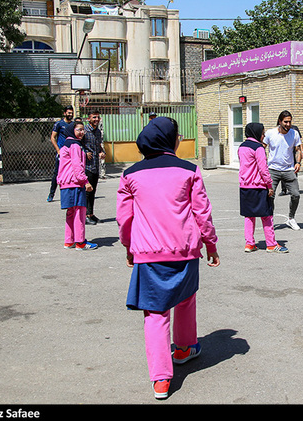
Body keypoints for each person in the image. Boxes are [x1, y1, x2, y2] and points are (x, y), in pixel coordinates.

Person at [117, 116, 220, 400]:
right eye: (177, 136)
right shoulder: (189, 170)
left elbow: (124, 218)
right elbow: (202, 212)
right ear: (170, 141)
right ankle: (185, 348)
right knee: (186, 298)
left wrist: (129, 247)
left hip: (148, 253)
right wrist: (210, 244)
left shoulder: (130, 174)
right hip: (185, 249)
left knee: (155, 311)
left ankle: (161, 379)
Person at [238, 123, 288, 253]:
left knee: (249, 216)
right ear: (256, 133)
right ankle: (271, 244)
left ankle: (249, 244)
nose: (264, 135)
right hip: (258, 186)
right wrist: (269, 185)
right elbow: (263, 169)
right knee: (267, 215)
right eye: (262, 133)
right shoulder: (258, 148)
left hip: (245, 186)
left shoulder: (241, 147)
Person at [57, 121, 97, 251]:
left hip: (65, 183)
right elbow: (77, 166)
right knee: (80, 212)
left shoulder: (65, 145)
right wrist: (85, 181)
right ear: (72, 130)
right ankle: (80, 242)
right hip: (74, 183)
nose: (82, 132)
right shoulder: (75, 145)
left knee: (70, 212)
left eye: (83, 130)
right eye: (79, 129)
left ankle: (69, 241)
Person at [264, 110, 303, 230]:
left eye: (290, 122)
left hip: (289, 169)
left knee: (296, 195)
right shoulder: (270, 133)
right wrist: (262, 164)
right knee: (270, 196)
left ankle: (291, 219)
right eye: (286, 122)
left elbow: (298, 149)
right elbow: (262, 148)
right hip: (272, 169)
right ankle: (270, 220)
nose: (288, 124)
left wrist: (298, 162)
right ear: (280, 121)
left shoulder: (294, 133)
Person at [82, 110, 105, 225]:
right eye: (94, 117)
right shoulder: (84, 131)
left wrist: (101, 152)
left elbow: (98, 146)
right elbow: (78, 145)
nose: (96, 119)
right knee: (87, 191)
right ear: (88, 118)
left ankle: (91, 214)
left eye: (98, 117)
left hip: (95, 166)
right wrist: (85, 152)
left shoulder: (98, 132)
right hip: (87, 166)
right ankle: (85, 215)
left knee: (93, 191)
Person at [48, 105, 75, 202]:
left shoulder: (73, 125)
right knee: (57, 174)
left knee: (72, 174)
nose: (70, 114)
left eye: (72, 113)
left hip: (71, 153)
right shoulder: (59, 124)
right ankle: (51, 194)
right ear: (65, 113)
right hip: (62, 153)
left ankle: (70, 194)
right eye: (68, 113)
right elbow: (52, 137)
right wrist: (58, 150)